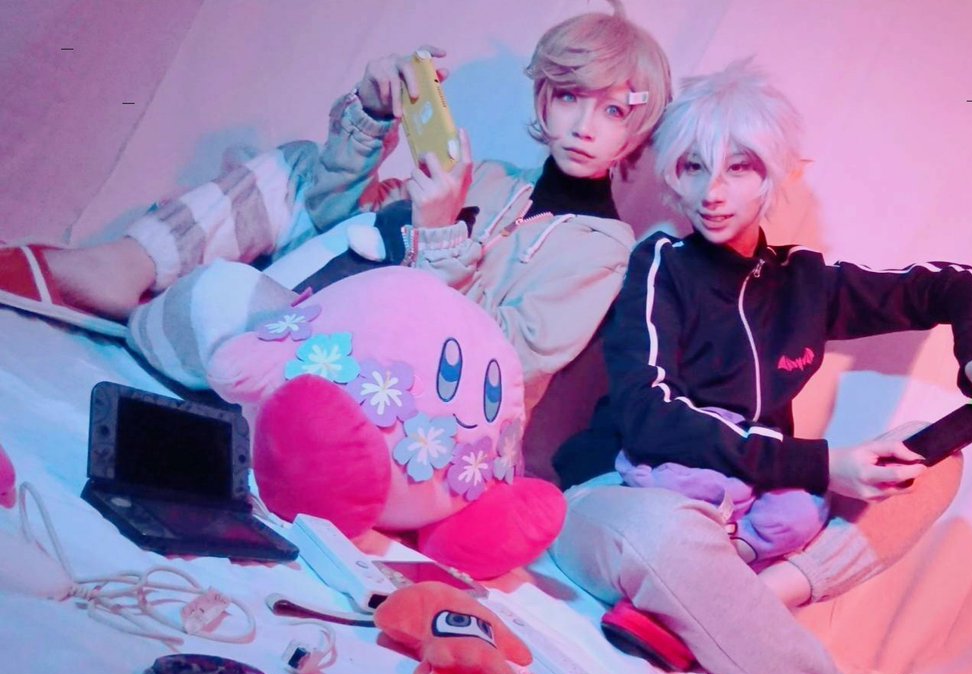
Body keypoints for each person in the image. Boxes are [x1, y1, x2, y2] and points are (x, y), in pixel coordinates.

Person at [549, 62, 972, 674]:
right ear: (671, 175)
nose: (712, 191)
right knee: (668, 531)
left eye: (739, 167)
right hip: (614, 500)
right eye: (692, 167)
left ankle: (723, 612)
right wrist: (823, 464)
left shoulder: (805, 283)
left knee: (935, 464)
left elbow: (961, 286)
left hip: (744, 532)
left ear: (779, 173)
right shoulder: (660, 265)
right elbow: (648, 417)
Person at [0, 3, 671, 430]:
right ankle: (126, 269)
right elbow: (335, 217)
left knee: (225, 297)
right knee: (299, 167)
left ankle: (181, 320)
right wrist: (373, 117)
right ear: (544, 96)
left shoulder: (605, 250)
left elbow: (491, 368)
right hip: (338, 315)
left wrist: (437, 233)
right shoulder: (494, 178)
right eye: (570, 97)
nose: (584, 126)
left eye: (614, 110)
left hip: (414, 407)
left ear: (638, 131)